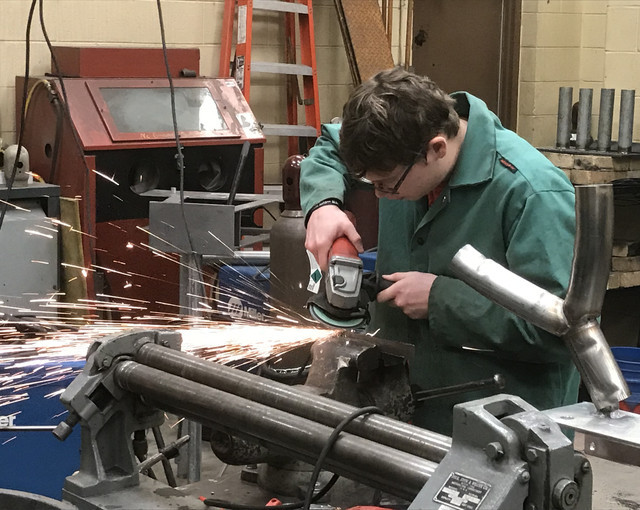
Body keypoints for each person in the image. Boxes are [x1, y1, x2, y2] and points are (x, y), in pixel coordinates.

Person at [299, 67, 580, 435]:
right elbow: (331, 146)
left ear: (436, 148)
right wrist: (323, 204)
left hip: (506, 428)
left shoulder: (533, 194)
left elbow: (561, 330)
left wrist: (441, 300)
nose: (379, 195)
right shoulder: (401, 153)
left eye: (386, 184)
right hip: (408, 410)